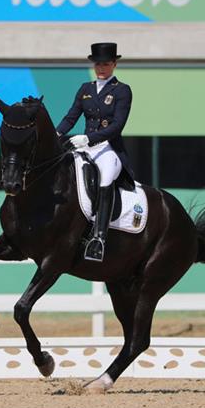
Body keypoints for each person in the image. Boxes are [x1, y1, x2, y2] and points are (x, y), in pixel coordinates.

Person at [55, 42, 135, 262]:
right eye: (98, 64)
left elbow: (117, 125)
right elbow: (72, 117)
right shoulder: (86, 89)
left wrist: (89, 138)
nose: (101, 68)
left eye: (106, 64)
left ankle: (99, 238)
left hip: (108, 147)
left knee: (106, 176)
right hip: (83, 145)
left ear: (114, 64)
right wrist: (57, 133)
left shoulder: (122, 90)